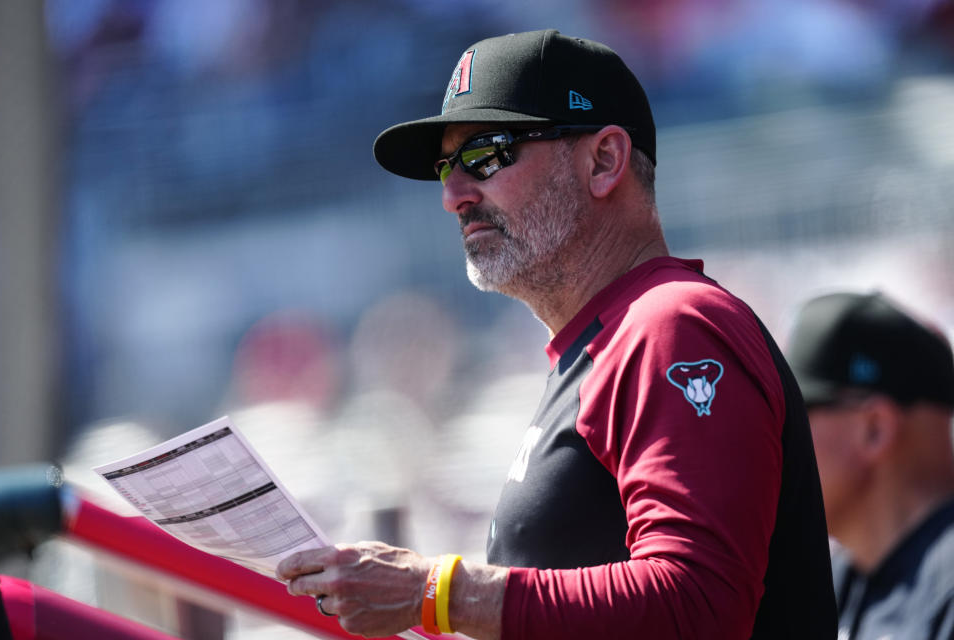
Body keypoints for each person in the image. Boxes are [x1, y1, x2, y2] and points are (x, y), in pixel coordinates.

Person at [276, 29, 837, 639]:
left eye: (486, 155)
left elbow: (697, 604)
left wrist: (438, 594)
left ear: (603, 161)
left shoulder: (672, 324)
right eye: (447, 165)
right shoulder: (608, 341)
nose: (453, 195)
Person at [784, 291, 954, 640]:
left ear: (874, 429)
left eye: (789, 419)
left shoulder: (945, 590)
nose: (771, 442)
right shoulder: (835, 579)